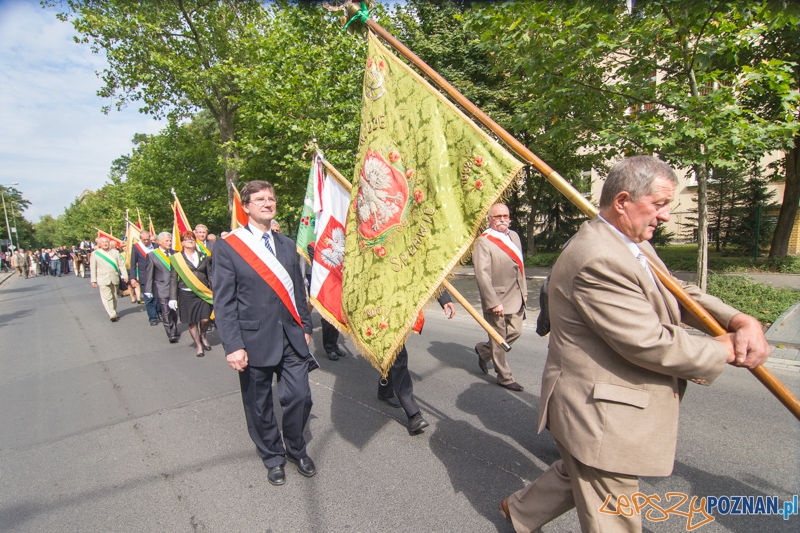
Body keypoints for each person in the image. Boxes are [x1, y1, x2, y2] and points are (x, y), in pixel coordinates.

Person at [499, 156, 770, 533]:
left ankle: (520, 511)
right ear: (623, 201)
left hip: (601, 406)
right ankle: (521, 511)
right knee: (614, 512)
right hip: (598, 413)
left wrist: (739, 320)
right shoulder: (598, 258)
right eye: (659, 204)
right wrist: (725, 349)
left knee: (581, 474)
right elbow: (649, 342)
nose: (666, 216)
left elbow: (677, 292)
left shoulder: (627, 241)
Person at [213, 180, 316, 487]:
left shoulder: (286, 243)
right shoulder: (229, 246)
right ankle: (272, 456)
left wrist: (306, 326)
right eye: (259, 199)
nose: (268, 203)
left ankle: (296, 448)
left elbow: (298, 290)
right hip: (253, 340)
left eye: (271, 198)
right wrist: (232, 345)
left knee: (300, 397)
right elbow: (224, 301)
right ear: (245, 207)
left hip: (292, 337)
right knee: (259, 405)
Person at [377, 292, 456, 434]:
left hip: (400, 306)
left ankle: (385, 390)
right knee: (398, 355)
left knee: (391, 354)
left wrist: (444, 298)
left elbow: (427, 276)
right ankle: (413, 414)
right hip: (378, 309)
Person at [473, 203, 527, 391]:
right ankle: (504, 377)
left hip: (516, 295)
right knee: (499, 338)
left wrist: (524, 292)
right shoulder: (483, 242)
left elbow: (520, 268)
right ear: (490, 219)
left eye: (505, 216)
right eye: (497, 216)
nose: (502, 219)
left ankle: (484, 351)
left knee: (515, 331)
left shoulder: (514, 236)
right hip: (497, 298)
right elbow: (482, 275)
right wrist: (493, 302)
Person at [169, 231, 213, 357]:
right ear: (182, 243)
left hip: (203, 292)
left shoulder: (202, 256)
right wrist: (173, 298)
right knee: (192, 321)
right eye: (187, 239)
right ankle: (198, 345)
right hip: (187, 293)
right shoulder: (177, 259)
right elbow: (173, 278)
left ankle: (203, 335)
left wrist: (214, 290)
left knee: (205, 318)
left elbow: (209, 275)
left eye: (193, 239)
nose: (191, 241)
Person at [144, 232, 179, 343]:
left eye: (170, 240)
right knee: (165, 311)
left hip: (175, 286)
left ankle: (174, 328)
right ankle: (171, 334)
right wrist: (148, 290)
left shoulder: (175, 253)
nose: (169, 243)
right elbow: (149, 273)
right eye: (166, 241)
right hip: (161, 287)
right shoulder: (152, 255)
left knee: (174, 310)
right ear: (159, 242)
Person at [90, 236, 128, 322]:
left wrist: (125, 275)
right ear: (99, 244)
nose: (105, 244)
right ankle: (112, 313)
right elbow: (93, 268)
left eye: (106, 242)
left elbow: (121, 264)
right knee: (107, 297)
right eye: (103, 242)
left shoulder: (115, 252)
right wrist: (93, 280)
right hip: (103, 278)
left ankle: (113, 310)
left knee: (114, 296)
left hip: (114, 277)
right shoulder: (95, 254)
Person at [129, 230, 159, 325]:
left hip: (157, 275)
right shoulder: (136, 247)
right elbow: (133, 264)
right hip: (144, 276)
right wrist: (133, 278)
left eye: (147, 239)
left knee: (158, 296)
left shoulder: (156, 246)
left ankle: (159, 313)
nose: (146, 241)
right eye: (144, 240)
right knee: (148, 298)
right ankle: (153, 318)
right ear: (140, 239)